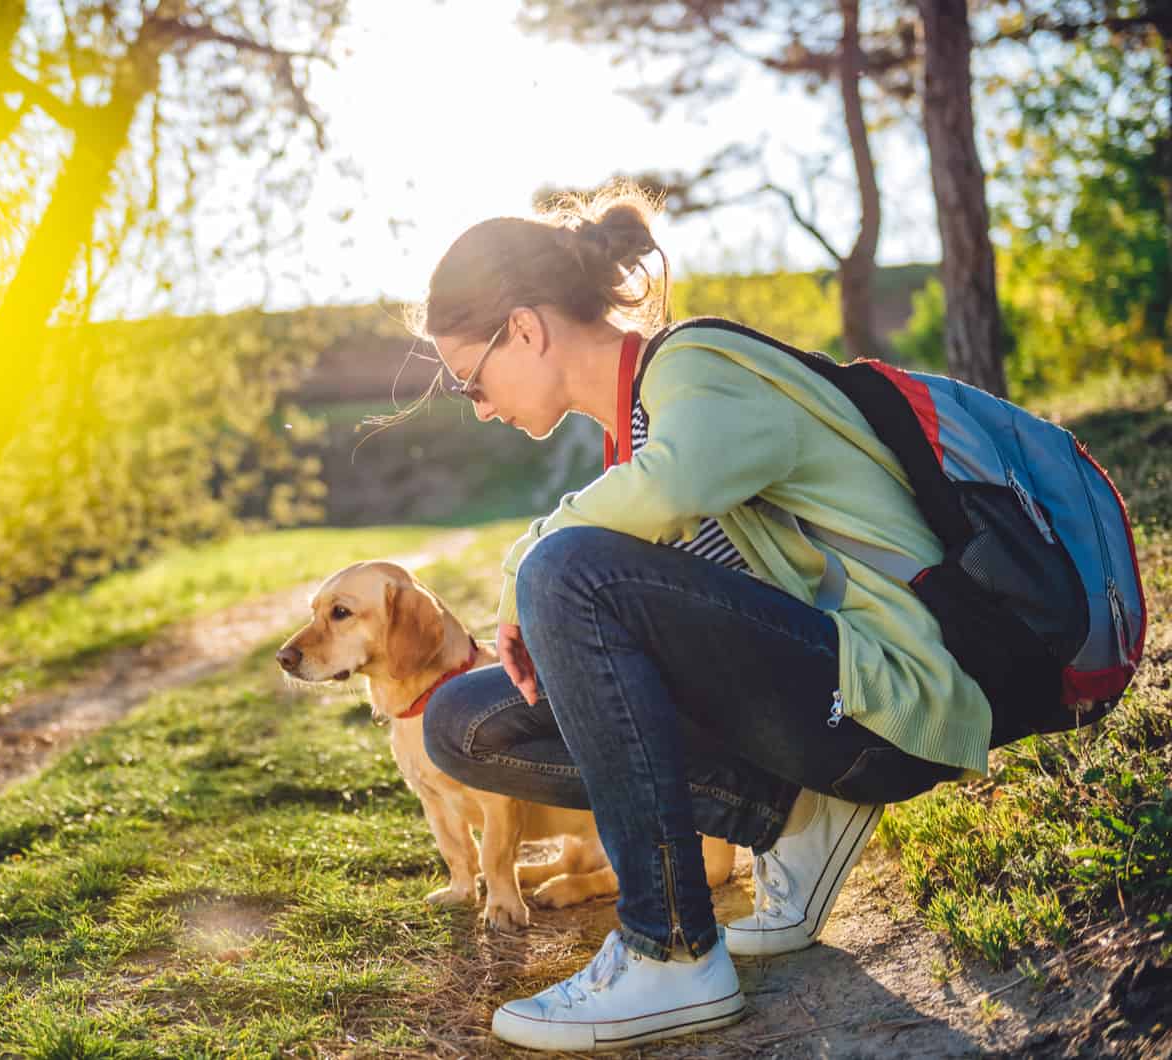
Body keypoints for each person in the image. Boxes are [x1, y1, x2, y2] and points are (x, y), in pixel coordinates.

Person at [410, 187, 986, 1054]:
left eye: (471, 380)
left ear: (523, 330)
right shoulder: (631, 438)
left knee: (568, 569)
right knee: (465, 723)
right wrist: (534, 572)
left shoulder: (694, 367)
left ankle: (669, 946)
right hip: (808, 707)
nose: (481, 406)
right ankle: (788, 816)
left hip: (888, 690)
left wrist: (528, 566)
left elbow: (667, 490)